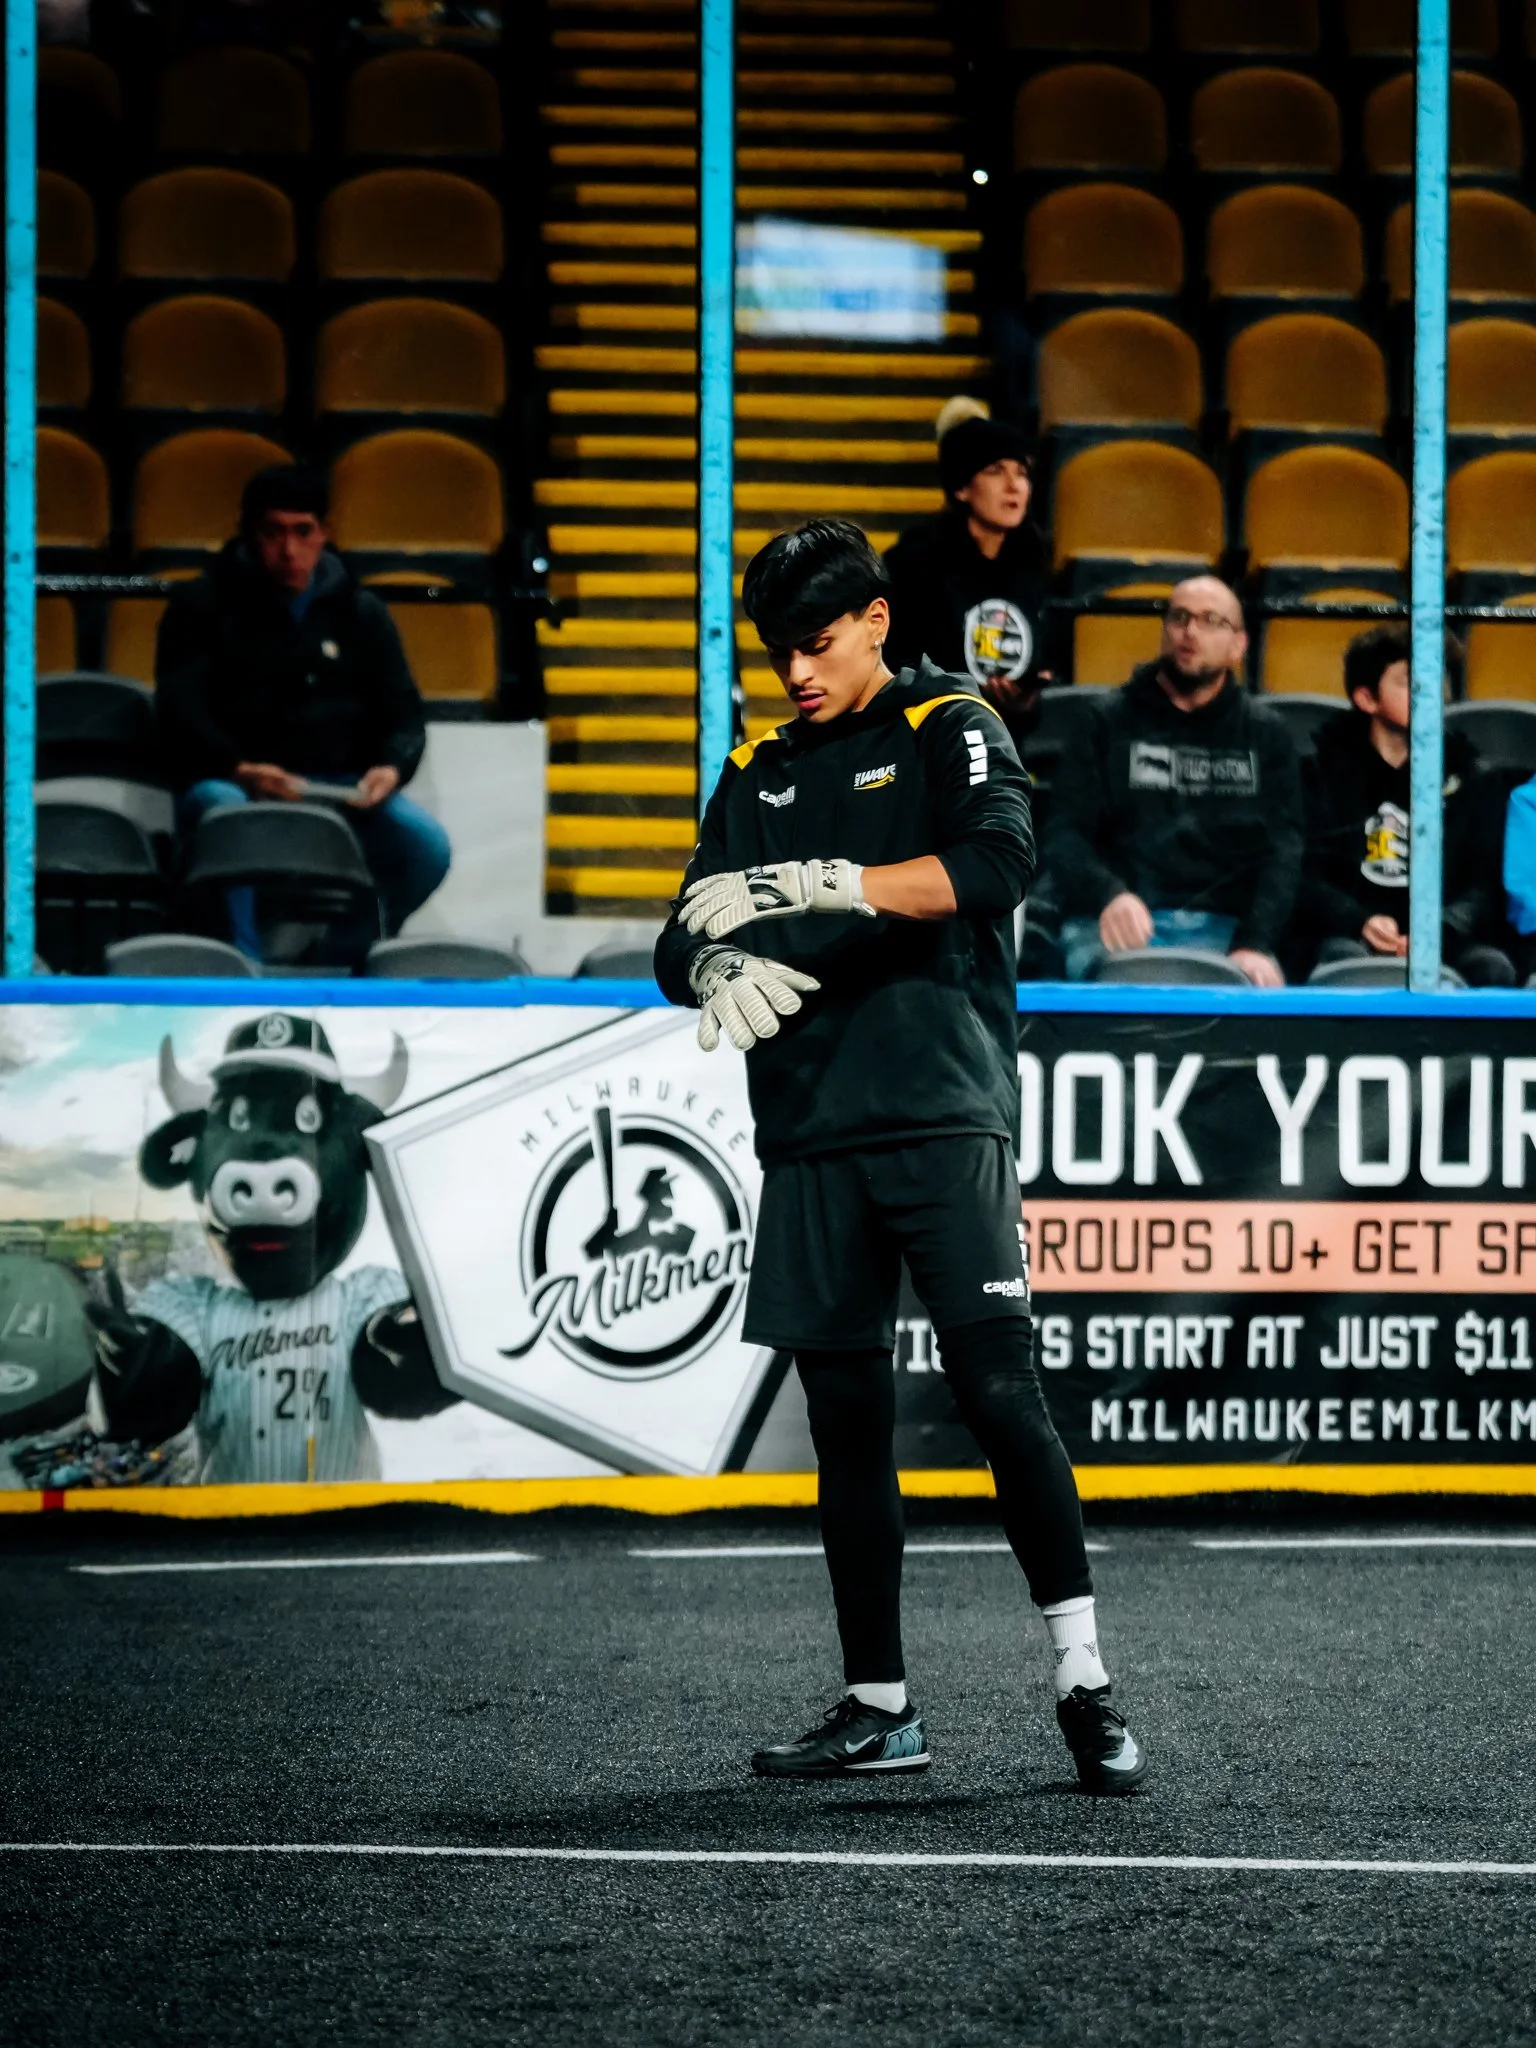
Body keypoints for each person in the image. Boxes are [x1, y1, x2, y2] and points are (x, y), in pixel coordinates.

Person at [654, 519, 1146, 1794]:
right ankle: (881, 1703)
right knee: (847, 1422)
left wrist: (826, 879)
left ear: (876, 615)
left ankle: (1085, 1680)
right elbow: (685, 925)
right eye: (779, 653)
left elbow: (998, 862)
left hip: (940, 1108)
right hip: (810, 1125)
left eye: (816, 644)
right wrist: (712, 960)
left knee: (998, 1397)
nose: (797, 673)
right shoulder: (757, 762)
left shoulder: (951, 718)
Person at [156, 465, 451, 962]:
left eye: (302, 532)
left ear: (325, 533)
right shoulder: (200, 605)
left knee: (426, 847)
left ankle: (344, 953)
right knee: (221, 808)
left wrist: (391, 768)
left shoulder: (362, 613)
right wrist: (238, 766)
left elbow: (403, 712)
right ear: (250, 533)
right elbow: (179, 709)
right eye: (273, 533)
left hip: (338, 789)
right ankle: (242, 961)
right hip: (239, 784)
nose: (289, 550)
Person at [1043, 576, 1302, 985]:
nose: (1190, 631)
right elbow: (1064, 834)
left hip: (1228, 930)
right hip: (1116, 923)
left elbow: (1284, 854)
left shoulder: (1267, 735)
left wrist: (1256, 940)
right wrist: (1109, 894)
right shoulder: (1104, 721)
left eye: (1210, 620)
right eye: (1179, 617)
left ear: (1239, 645)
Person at [1292, 625, 1515, 986]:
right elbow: (1302, 875)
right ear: (1367, 698)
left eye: (1437, 678)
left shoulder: (1471, 776)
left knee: (1493, 968)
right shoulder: (1318, 774)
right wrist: (1358, 920)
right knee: (1341, 961)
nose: (1433, 692)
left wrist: (1441, 928)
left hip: (1446, 939)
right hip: (1348, 935)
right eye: (1411, 680)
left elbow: (1486, 883)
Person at [882, 411, 1051, 747]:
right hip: (926, 740)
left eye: (1022, 473)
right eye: (995, 471)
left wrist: (1028, 696)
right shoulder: (914, 562)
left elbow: (1044, 659)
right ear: (961, 487)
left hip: (1009, 742)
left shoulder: (1034, 561)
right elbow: (893, 668)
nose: (1013, 485)